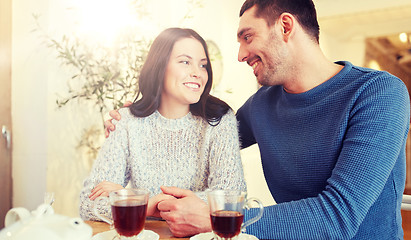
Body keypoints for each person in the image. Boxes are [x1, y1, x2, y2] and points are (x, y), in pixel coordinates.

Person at [105, 0, 410, 239]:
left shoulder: (379, 94)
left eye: (247, 37)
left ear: (285, 26)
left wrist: (217, 217)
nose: (240, 54)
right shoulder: (261, 105)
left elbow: (338, 217)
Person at [79, 27, 246, 227]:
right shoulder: (126, 121)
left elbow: (231, 198)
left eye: (203, 65)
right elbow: (89, 203)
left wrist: (133, 199)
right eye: (185, 62)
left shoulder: (219, 120)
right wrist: (147, 205)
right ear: (160, 66)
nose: (197, 73)